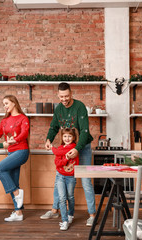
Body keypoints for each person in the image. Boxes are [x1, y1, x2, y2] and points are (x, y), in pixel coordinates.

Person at [41, 82, 96, 226]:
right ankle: (55, 211)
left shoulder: (80, 107)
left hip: (82, 148)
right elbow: (53, 127)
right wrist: (48, 139)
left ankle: (92, 214)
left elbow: (84, 131)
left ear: (71, 93)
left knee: (85, 181)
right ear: (58, 95)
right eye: (61, 96)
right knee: (59, 177)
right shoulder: (58, 109)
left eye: (66, 96)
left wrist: (77, 149)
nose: (64, 99)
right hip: (66, 148)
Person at [0, 95, 29, 222]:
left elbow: (24, 133)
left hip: (21, 151)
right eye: (3, 104)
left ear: (14, 103)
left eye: (6, 103)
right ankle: (18, 213)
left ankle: (16, 192)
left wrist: (16, 139)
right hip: (11, 152)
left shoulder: (23, 118)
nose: (5, 106)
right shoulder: (5, 120)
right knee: (13, 182)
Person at [52, 128, 80, 231]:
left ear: (73, 138)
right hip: (60, 176)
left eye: (69, 136)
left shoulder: (74, 148)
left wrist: (57, 153)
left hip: (70, 177)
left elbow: (61, 154)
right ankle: (64, 221)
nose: (67, 138)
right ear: (62, 138)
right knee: (62, 198)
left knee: (70, 197)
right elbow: (57, 163)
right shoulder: (60, 148)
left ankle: (70, 214)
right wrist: (66, 159)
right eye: (65, 136)